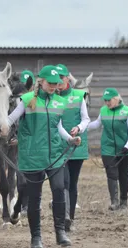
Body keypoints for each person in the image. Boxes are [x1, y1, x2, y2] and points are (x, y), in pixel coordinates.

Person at [7, 65, 81, 248]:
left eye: (56, 84)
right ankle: (36, 237)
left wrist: (71, 139)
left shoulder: (59, 101)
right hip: (33, 156)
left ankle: (60, 233)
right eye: (50, 83)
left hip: (54, 155)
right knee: (35, 197)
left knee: (58, 189)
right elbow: (9, 120)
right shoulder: (27, 100)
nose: (54, 86)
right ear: (41, 81)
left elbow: (59, 127)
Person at [54, 64, 90, 231]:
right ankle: (64, 216)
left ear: (68, 78)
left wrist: (79, 128)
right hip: (56, 146)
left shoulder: (78, 96)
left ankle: (70, 219)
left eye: (62, 77)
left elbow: (86, 119)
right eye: (56, 78)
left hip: (76, 146)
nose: (59, 81)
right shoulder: (50, 97)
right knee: (63, 182)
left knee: (72, 183)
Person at [87, 88, 128, 210]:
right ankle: (114, 202)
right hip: (107, 148)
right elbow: (97, 124)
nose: (107, 103)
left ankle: (123, 202)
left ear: (116, 99)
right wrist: (81, 127)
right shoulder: (103, 110)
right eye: (105, 101)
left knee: (123, 175)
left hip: (124, 149)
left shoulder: (127, 111)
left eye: (109, 101)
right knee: (111, 174)